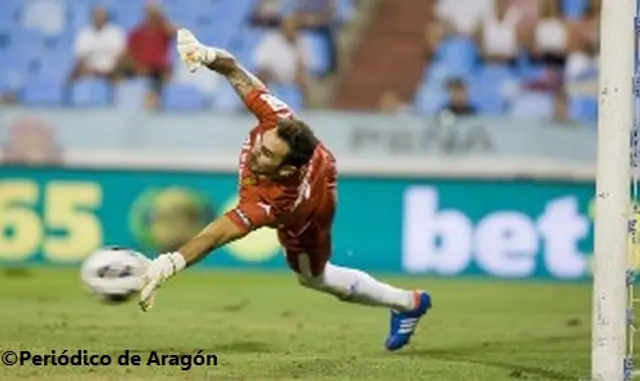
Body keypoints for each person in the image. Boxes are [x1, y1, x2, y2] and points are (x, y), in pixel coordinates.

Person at [137, 29, 432, 352]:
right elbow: (235, 71)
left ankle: (408, 302)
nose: (255, 153)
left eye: (266, 156)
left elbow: (220, 233)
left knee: (312, 278)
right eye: (261, 143)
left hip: (312, 207)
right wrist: (206, 56)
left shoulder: (278, 201)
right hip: (317, 158)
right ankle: (408, 302)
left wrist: (170, 262)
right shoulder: (277, 121)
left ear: (286, 169)